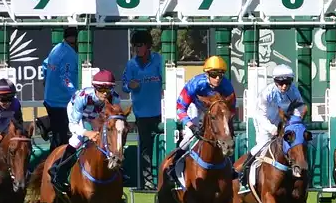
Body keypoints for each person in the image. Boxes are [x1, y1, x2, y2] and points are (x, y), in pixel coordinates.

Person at [164, 56, 237, 175]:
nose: (218, 79)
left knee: (227, 138)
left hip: (218, 112)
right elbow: (180, 107)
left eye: (221, 75)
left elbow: (231, 110)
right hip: (196, 108)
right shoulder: (196, 84)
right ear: (207, 74)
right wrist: (191, 125)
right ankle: (174, 164)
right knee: (189, 136)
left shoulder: (227, 87)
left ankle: (231, 168)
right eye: (214, 75)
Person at [49, 70, 120, 191]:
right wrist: (88, 133)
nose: (105, 93)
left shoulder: (115, 98)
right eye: (101, 89)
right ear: (95, 87)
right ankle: (58, 171)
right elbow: (73, 125)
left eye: (108, 89)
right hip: (78, 113)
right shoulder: (83, 97)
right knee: (78, 140)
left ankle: (118, 171)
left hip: (96, 115)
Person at [239, 64, 305, 183]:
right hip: (264, 121)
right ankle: (244, 171)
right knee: (263, 144)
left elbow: (299, 109)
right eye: (281, 83)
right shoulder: (267, 93)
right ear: (275, 82)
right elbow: (260, 115)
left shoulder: (294, 91)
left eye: (287, 83)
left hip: (282, 122)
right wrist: (270, 128)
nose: (284, 86)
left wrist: (294, 123)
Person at [121, 30, 164, 186]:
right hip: (142, 114)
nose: (137, 49)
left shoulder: (159, 61)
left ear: (148, 46)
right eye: (134, 46)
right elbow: (124, 86)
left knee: (162, 144)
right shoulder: (131, 65)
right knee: (145, 148)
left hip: (161, 113)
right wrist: (129, 85)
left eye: (140, 45)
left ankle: (164, 178)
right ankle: (148, 181)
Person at [42, 27, 80, 150]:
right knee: (61, 140)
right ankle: (55, 166)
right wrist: (76, 94)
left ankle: (45, 123)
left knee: (58, 135)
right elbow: (66, 79)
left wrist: (47, 81)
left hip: (50, 99)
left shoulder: (56, 48)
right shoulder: (70, 54)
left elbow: (44, 65)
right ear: (76, 39)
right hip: (61, 102)